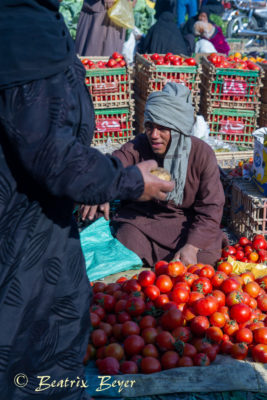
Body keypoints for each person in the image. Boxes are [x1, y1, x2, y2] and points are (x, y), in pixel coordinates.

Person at [0, 1, 174, 399]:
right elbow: (52, 156)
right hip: (24, 247)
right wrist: (128, 181)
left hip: (28, 231)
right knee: (31, 367)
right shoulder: (21, 27)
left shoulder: (26, 18)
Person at [81, 83, 225, 267]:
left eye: (163, 128)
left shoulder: (202, 154)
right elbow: (115, 163)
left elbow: (211, 207)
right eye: (150, 126)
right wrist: (102, 184)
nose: (154, 135)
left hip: (185, 224)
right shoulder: (139, 145)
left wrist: (192, 246)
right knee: (127, 240)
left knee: (207, 256)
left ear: (178, 128)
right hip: (144, 221)